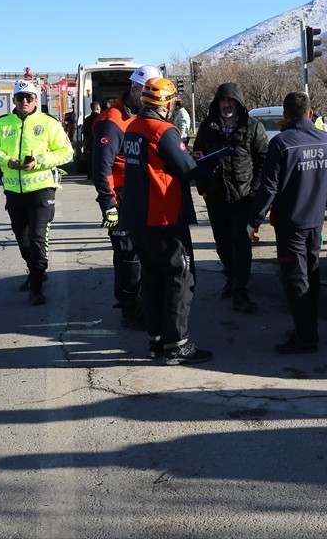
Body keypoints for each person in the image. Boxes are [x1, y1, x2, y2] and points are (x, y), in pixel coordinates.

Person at [121, 76, 223, 364]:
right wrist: (211, 161)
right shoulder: (163, 130)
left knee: (152, 279)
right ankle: (177, 345)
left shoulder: (134, 128)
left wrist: (188, 156)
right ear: (165, 103)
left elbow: (161, 163)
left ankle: (156, 341)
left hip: (138, 218)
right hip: (163, 217)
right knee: (181, 279)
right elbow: (188, 171)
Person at [248, 92, 327, 354]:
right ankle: (306, 328)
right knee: (312, 274)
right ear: (310, 113)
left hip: (291, 222)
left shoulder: (282, 143)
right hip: (315, 220)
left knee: (296, 280)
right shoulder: (326, 140)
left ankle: (306, 337)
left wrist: (254, 220)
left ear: (285, 116)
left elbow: (269, 186)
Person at [0, 79, 74, 304]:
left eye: (29, 98)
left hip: (41, 190)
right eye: (20, 98)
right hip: (13, 192)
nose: (25, 101)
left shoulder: (49, 123)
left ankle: (37, 287)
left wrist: (39, 162)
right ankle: (34, 272)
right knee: (23, 239)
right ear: (14, 100)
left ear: (36, 100)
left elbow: (66, 153)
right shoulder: (2, 123)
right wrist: (6, 160)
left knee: (38, 237)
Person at [91, 65, 158, 329]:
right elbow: (102, 167)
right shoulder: (112, 121)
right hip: (120, 196)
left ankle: (142, 301)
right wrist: (108, 203)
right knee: (127, 254)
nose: (150, 97)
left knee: (142, 252)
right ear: (134, 89)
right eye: (146, 91)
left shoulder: (144, 116)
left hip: (141, 193)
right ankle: (130, 308)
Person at [194, 82, 269, 313]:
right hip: (215, 196)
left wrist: (255, 191)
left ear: (239, 103)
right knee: (223, 244)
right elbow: (197, 157)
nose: (226, 105)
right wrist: (202, 187)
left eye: (230, 101)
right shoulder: (208, 126)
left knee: (241, 244)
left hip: (243, 197)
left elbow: (263, 161)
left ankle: (240, 291)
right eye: (222, 100)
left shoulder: (253, 126)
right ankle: (230, 278)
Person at [81, 101, 102, 178]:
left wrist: (85, 142)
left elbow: (84, 131)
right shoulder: (100, 118)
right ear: (97, 108)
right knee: (99, 158)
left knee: (90, 158)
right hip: (99, 141)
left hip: (89, 142)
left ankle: (90, 174)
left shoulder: (86, 119)